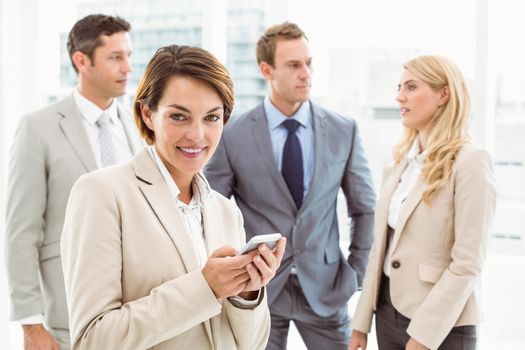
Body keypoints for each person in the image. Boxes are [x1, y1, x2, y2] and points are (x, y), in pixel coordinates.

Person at [60, 44, 286, 349]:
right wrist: (205, 288)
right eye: (179, 117)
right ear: (147, 114)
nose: (197, 135)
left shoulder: (225, 211)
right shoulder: (102, 194)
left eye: (212, 117)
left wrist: (246, 295)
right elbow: (93, 339)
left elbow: (252, 344)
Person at [205, 22, 376, 349]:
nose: (306, 73)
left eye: (309, 63)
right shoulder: (232, 134)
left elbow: (364, 209)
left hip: (326, 288)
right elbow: (211, 210)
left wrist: (355, 273)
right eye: (294, 65)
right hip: (259, 287)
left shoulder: (344, 130)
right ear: (266, 69)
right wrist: (232, 273)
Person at [5, 14, 141, 350]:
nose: (128, 68)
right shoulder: (38, 128)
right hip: (67, 315)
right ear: (82, 60)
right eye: (115, 57)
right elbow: (21, 232)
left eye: (129, 56)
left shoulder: (137, 127)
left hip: (136, 314)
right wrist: (30, 325)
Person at [348, 55, 497, 350]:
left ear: (443, 94)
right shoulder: (400, 164)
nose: (399, 96)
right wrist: (360, 323)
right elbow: (381, 248)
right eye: (400, 86)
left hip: (441, 325)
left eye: (411, 87)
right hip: (388, 314)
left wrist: (423, 337)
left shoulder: (471, 163)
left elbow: (467, 263)